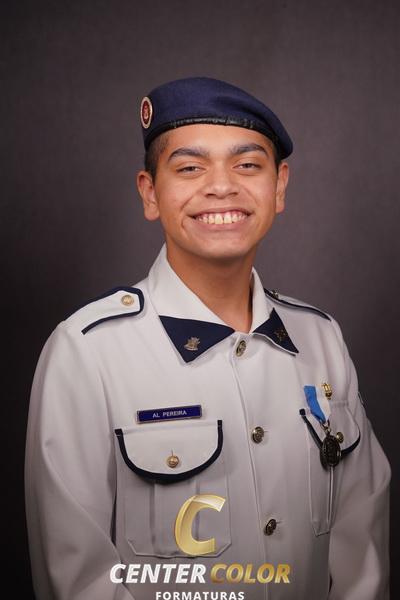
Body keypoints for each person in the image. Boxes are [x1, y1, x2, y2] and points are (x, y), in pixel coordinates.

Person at [25, 77, 390, 600]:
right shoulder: (86, 353)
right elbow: (78, 579)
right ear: (150, 193)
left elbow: (363, 554)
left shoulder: (321, 339)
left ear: (279, 187)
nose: (222, 187)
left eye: (248, 165)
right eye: (190, 168)